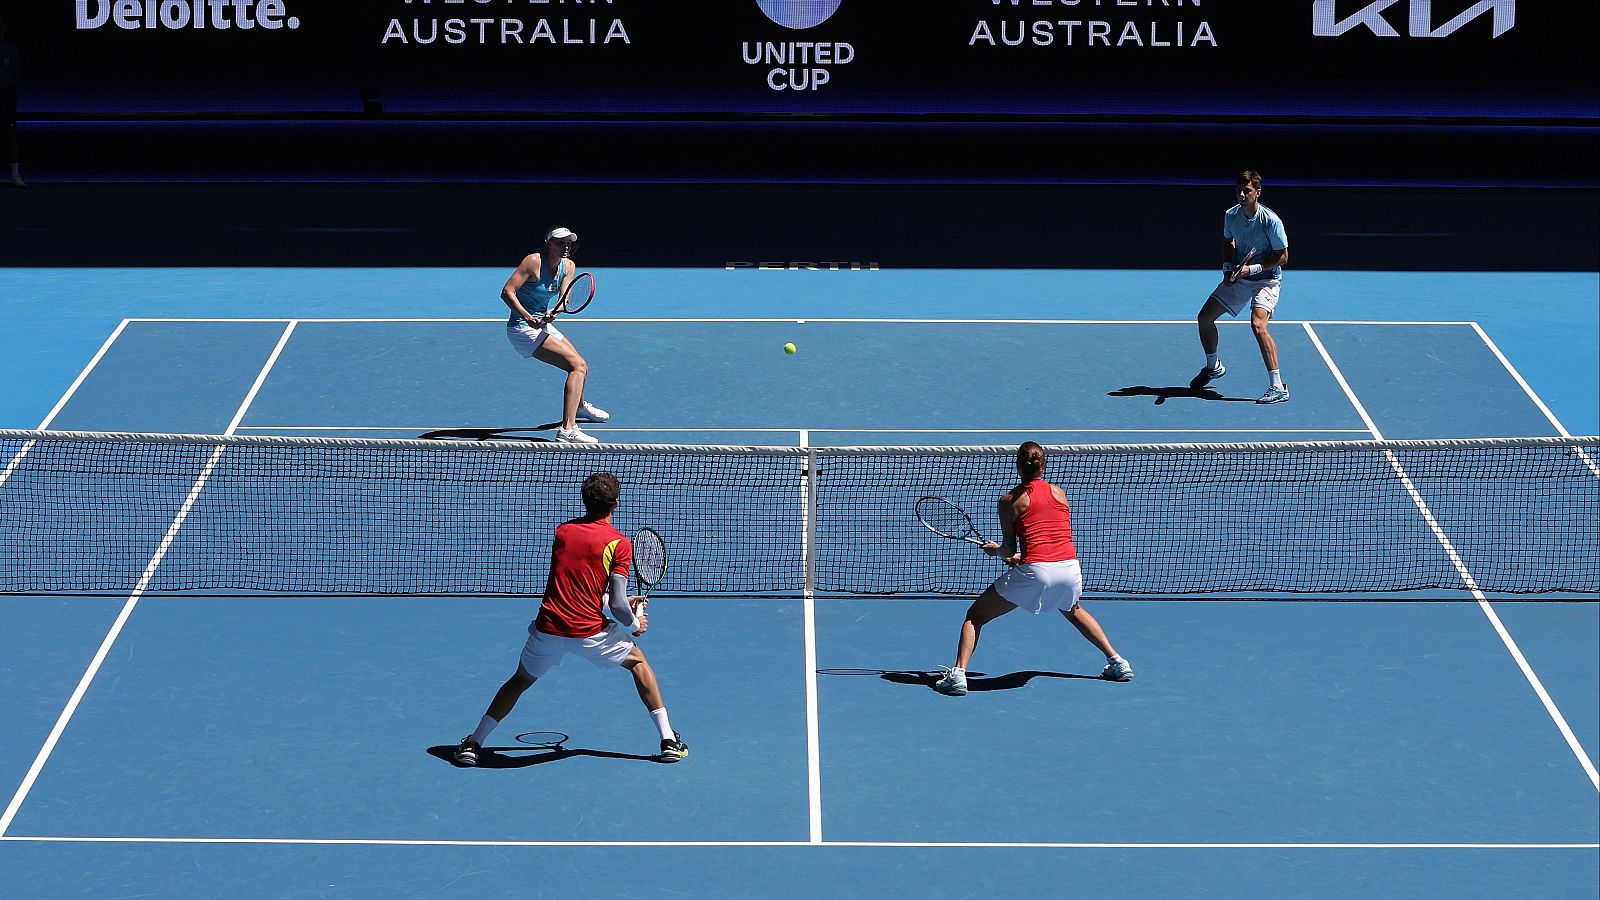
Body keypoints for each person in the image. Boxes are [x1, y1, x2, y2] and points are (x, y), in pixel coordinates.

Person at [454, 472, 687, 765]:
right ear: (616, 503)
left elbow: (576, 584)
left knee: (519, 680)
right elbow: (616, 604)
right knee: (639, 664)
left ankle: (473, 743)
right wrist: (633, 624)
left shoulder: (562, 532)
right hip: (589, 633)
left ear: (585, 501)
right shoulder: (619, 543)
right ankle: (668, 741)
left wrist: (612, 603)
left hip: (549, 629)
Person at [934, 441, 1132, 696]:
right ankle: (1118, 662)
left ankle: (958, 675)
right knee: (1073, 611)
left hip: (1037, 571)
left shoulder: (1009, 501)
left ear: (1017, 465)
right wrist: (1019, 557)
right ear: (1044, 464)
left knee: (975, 616)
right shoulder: (1060, 493)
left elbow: (1008, 548)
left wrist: (997, 551)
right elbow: (1048, 540)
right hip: (1069, 568)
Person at [1189, 170, 1290, 403]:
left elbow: (1283, 256)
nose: (1242, 195)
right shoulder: (1231, 215)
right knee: (1204, 317)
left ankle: (1278, 386)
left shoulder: (1271, 221)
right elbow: (1228, 242)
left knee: (1258, 325)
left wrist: (1253, 269)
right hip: (1240, 276)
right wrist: (1227, 268)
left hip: (1267, 279)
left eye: (1247, 191)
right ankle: (1213, 367)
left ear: (1258, 193)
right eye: (1239, 191)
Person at [502, 226, 609, 443]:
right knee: (576, 367)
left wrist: (555, 311)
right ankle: (567, 429)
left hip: (541, 325)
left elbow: (564, 299)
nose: (566, 247)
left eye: (568, 243)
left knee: (583, 366)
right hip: (522, 330)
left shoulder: (568, 266)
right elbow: (507, 292)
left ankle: (578, 407)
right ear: (548, 244)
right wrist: (527, 316)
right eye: (560, 242)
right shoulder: (533, 261)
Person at [0, 14, 24, 188]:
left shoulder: (11, 50)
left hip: (6, 99)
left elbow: (16, 77)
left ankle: (15, 175)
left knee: (10, 134)